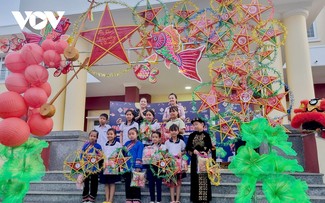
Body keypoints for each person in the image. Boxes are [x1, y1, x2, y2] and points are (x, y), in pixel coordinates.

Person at [185, 118, 214, 203]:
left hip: (204, 160)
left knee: (204, 178)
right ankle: (195, 199)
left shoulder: (207, 135)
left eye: (197, 124)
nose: (195, 126)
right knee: (195, 178)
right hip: (195, 160)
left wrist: (205, 152)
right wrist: (193, 150)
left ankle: (204, 199)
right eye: (194, 124)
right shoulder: (191, 135)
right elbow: (188, 147)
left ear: (202, 124)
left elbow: (210, 147)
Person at [165, 124, 186, 203]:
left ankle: (177, 200)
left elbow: (184, 151)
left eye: (175, 130)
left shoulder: (181, 142)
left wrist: (182, 153)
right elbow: (165, 152)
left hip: (179, 165)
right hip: (170, 164)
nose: (173, 132)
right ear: (169, 131)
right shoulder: (167, 142)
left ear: (178, 131)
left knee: (178, 182)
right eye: (172, 130)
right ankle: (172, 200)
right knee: (171, 182)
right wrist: (166, 155)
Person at [100, 128, 122, 203]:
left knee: (112, 182)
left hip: (113, 166)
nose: (109, 135)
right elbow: (102, 154)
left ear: (115, 135)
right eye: (108, 134)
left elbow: (120, 154)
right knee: (106, 183)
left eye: (111, 134)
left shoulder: (118, 144)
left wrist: (115, 156)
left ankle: (111, 199)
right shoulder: (104, 144)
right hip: (105, 165)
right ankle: (106, 199)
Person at [81, 130, 103, 203]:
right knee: (86, 182)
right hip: (86, 167)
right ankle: (85, 197)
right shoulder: (85, 145)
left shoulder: (98, 146)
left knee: (94, 182)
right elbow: (81, 155)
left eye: (94, 136)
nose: (92, 137)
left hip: (94, 167)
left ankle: (92, 197)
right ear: (89, 136)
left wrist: (94, 157)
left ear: (97, 138)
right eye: (91, 136)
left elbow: (101, 156)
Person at [124, 127, 144, 203]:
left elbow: (140, 155)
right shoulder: (126, 144)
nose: (131, 135)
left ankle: (136, 199)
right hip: (127, 167)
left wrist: (138, 167)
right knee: (128, 184)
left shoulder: (140, 144)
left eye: (133, 134)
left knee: (136, 184)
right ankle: (128, 198)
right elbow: (124, 155)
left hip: (136, 167)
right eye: (129, 134)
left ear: (137, 134)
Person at [146, 131, 165, 203]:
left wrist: (161, 153)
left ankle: (159, 200)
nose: (154, 138)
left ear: (160, 138)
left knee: (159, 184)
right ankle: (152, 200)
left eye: (156, 137)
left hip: (159, 167)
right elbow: (146, 157)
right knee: (151, 184)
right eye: (153, 137)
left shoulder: (163, 147)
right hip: (151, 167)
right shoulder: (148, 147)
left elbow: (166, 157)